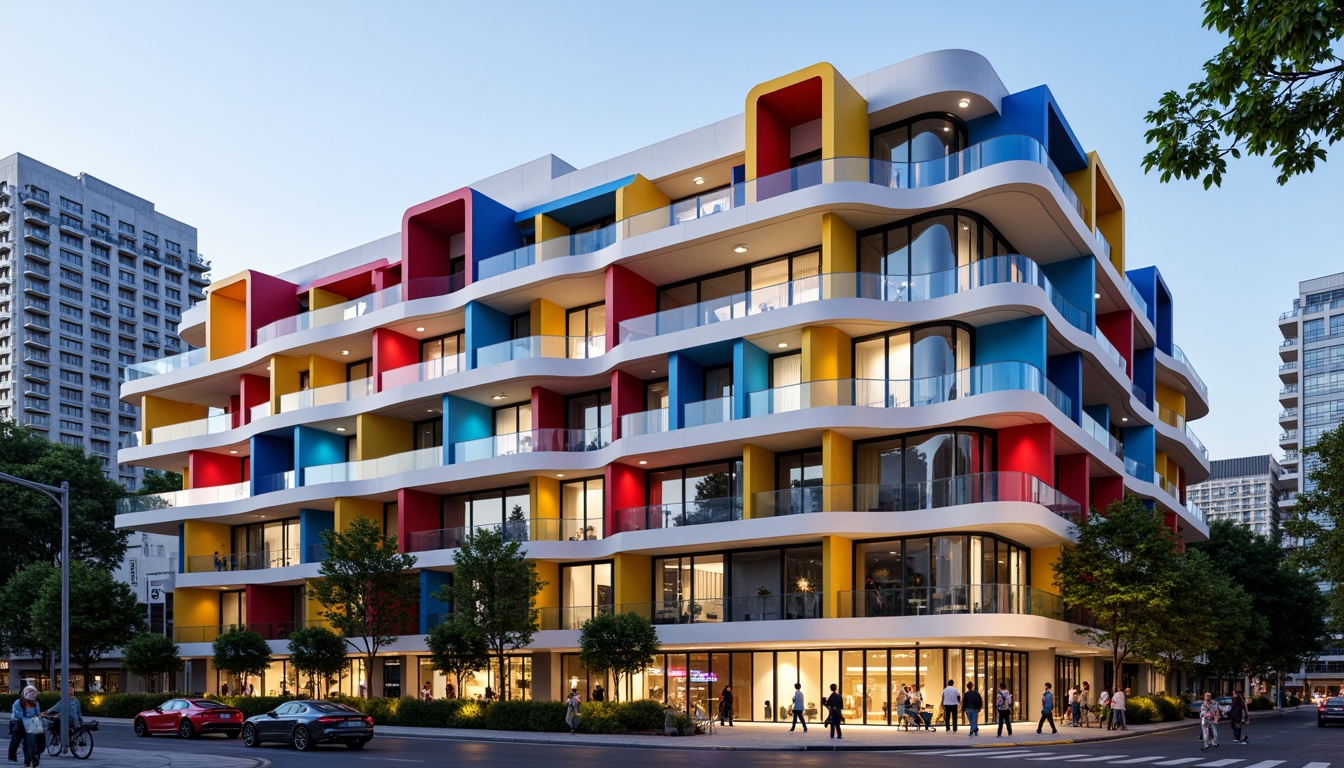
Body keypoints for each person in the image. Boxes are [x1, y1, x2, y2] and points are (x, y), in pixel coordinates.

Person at [10, 685, 41, 768]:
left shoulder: (36, 703)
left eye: (33, 692)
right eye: (29, 691)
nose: (31, 693)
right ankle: (12, 755)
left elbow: (37, 713)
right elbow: (17, 714)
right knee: (15, 742)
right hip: (19, 724)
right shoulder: (18, 702)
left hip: (29, 725)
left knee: (28, 743)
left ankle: (29, 761)